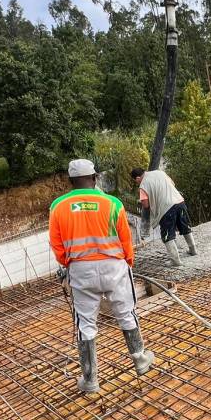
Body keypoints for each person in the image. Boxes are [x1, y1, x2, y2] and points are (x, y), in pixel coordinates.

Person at [50, 159, 155, 393]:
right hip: (114, 266)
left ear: (71, 182)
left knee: (85, 325)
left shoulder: (58, 206)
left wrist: (68, 263)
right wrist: (128, 261)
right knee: (126, 313)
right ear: (94, 178)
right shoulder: (112, 203)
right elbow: (126, 238)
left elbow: (56, 244)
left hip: (80, 270)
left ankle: (90, 380)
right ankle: (139, 358)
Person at [130, 167, 198, 266]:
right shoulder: (160, 172)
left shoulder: (143, 185)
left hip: (166, 209)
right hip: (179, 202)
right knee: (185, 227)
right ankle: (193, 250)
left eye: (136, 181)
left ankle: (175, 260)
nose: (137, 183)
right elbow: (172, 184)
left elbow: (145, 205)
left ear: (137, 178)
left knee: (167, 235)